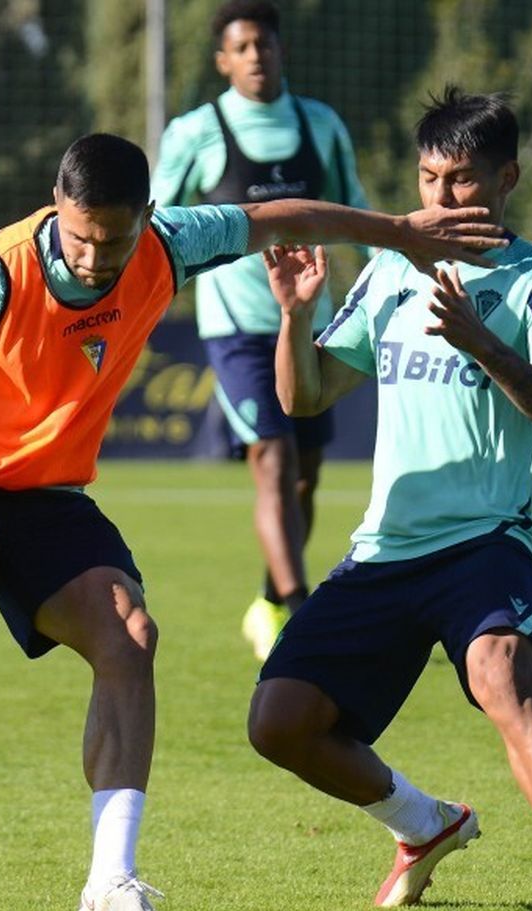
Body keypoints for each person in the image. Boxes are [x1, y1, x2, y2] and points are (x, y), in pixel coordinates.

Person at [0, 132, 506, 911]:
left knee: (130, 634)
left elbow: (280, 217)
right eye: (80, 237)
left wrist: (398, 232)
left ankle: (110, 883)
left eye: (115, 239)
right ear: (57, 208)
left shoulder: (171, 243)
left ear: (148, 216)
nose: (97, 258)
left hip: (45, 490)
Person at [247, 88, 532, 911]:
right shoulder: (390, 271)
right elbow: (306, 397)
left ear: (507, 179)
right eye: (428, 178)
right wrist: (295, 317)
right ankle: (424, 823)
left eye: (462, 180)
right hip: (387, 548)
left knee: (502, 674)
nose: (442, 198)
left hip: (487, 537)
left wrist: (481, 342)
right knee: (279, 722)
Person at [151, 0, 369, 660]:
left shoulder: (320, 124)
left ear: (281, 50)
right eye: (241, 47)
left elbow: (354, 208)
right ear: (223, 61)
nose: (255, 56)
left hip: (312, 321)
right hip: (237, 326)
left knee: (306, 476)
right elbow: (157, 224)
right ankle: (302, 616)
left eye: (264, 44)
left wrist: (395, 267)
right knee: (272, 459)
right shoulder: (196, 132)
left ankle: (270, 600)